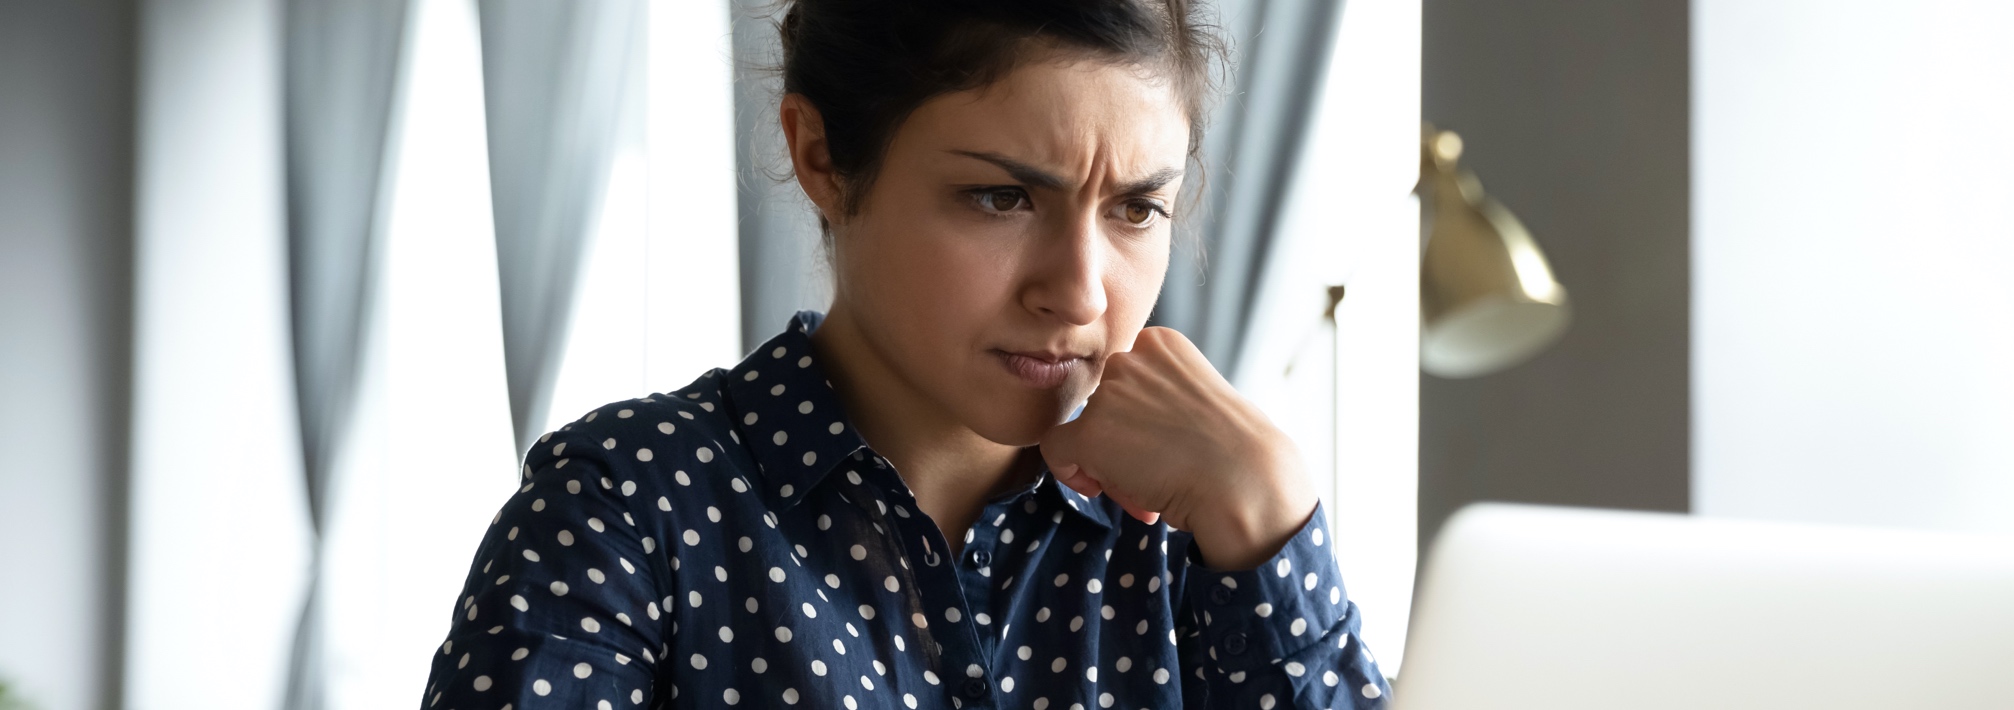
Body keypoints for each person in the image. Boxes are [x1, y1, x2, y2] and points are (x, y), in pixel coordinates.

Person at [419, 0, 1391, 707]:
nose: (1081, 290)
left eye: (1134, 208)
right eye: (1001, 198)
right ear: (821, 156)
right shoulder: (629, 508)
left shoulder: (1198, 539)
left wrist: (1268, 508)